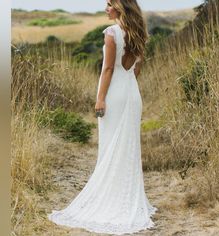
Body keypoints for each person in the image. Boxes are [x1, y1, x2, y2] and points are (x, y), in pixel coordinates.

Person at [47, 0, 158, 234]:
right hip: (131, 94)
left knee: (110, 147)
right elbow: (137, 69)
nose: (106, 8)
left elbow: (107, 69)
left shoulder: (112, 33)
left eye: (109, 4)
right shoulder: (138, 33)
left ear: (121, 7)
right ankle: (126, 198)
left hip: (114, 95)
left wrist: (100, 98)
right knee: (127, 147)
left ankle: (112, 199)